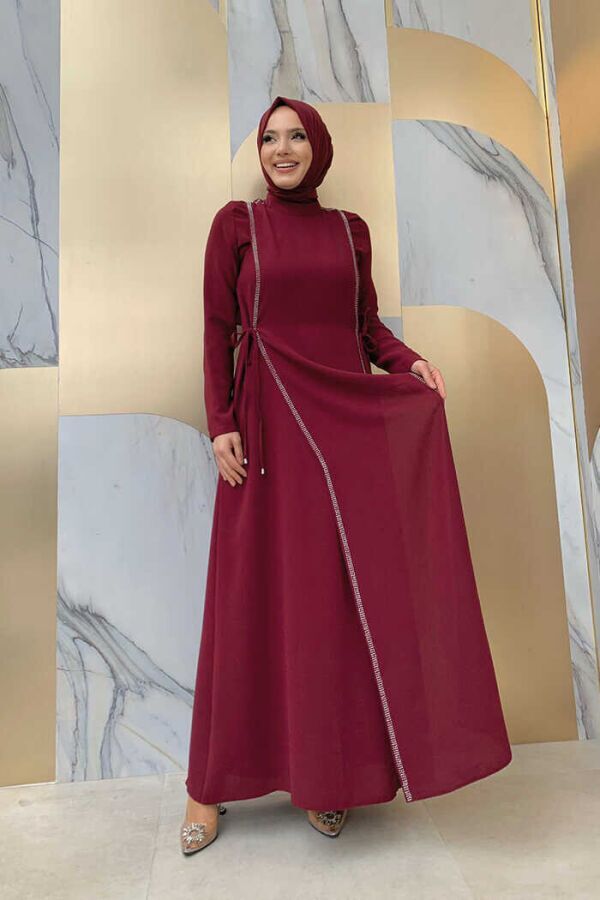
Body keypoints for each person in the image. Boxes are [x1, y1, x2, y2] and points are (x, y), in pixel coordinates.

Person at [180, 95, 512, 855]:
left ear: (318, 147)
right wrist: (221, 420)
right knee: (247, 598)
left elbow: (364, 329)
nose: (283, 149)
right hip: (265, 432)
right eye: (270, 138)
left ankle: (325, 777)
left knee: (326, 608)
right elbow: (216, 329)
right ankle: (207, 785)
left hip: (338, 444)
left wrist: (408, 362)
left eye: (297, 136)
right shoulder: (236, 226)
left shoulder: (348, 231)